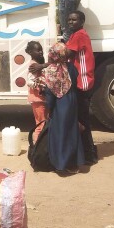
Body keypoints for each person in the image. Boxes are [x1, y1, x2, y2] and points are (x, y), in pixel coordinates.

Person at [43, 42, 85, 172]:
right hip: (71, 101)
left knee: (60, 133)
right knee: (72, 131)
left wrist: (49, 108)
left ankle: (61, 164)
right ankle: (75, 163)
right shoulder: (71, 67)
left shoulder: (51, 71)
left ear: (53, 55)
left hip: (60, 104)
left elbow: (50, 94)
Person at [66, 11, 98, 164]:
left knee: (82, 121)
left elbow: (65, 54)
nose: (71, 22)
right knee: (80, 119)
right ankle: (87, 152)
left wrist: (44, 64)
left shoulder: (79, 35)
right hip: (80, 82)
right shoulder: (76, 34)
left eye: (74, 19)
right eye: (69, 20)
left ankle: (89, 154)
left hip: (82, 83)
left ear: (82, 21)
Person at [25, 41, 47, 143]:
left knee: (42, 123)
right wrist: (40, 86)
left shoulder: (38, 64)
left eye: (41, 50)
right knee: (41, 124)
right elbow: (29, 81)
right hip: (37, 99)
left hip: (40, 99)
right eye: (37, 50)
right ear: (30, 52)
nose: (40, 52)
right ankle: (37, 146)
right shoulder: (33, 65)